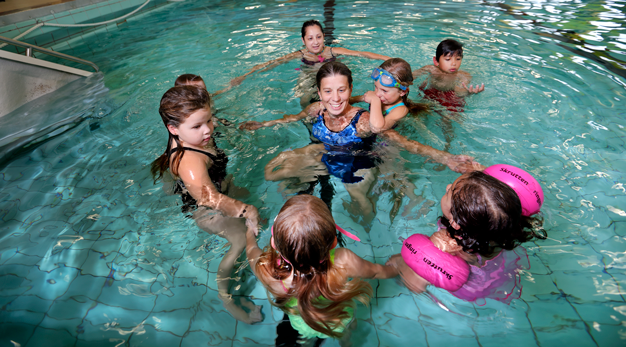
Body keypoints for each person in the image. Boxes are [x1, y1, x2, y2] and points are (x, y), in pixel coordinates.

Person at [240, 61, 482, 222]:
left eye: (341, 91)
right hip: (325, 154)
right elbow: (294, 117)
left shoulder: (364, 121)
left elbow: (402, 140)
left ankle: (367, 229)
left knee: (362, 200)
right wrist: (265, 124)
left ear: (351, 88)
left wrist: (444, 157)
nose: (334, 98)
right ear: (320, 93)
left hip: (358, 163)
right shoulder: (317, 108)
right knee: (272, 173)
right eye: (327, 92)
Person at [150, 85, 262, 324]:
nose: (208, 129)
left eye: (209, 120)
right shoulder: (188, 160)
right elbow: (208, 198)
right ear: (173, 128)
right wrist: (246, 210)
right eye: (198, 126)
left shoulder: (187, 140)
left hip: (219, 188)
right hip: (206, 210)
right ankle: (226, 298)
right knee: (239, 241)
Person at [244, 195, 398, 345]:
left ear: (274, 243)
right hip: (339, 319)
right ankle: (346, 340)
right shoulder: (343, 261)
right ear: (333, 242)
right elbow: (376, 271)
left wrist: (249, 232)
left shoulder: (268, 271)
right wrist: (398, 268)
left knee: (306, 335)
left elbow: (251, 249)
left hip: (303, 323)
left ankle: (307, 340)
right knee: (346, 329)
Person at [387, 170, 546, 304]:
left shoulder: (447, 240)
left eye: (450, 191)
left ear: (456, 223)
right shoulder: (500, 226)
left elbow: (418, 284)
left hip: (465, 285)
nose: (448, 187)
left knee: (402, 263)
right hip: (496, 272)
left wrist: (399, 266)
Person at [228, 20, 390, 107]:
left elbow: (361, 54)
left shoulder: (331, 51)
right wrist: (244, 76)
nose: (315, 42)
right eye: (310, 38)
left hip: (330, 80)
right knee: (304, 100)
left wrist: (385, 58)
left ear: (324, 36)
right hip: (308, 77)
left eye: (318, 37)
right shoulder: (300, 54)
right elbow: (270, 64)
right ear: (303, 40)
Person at [351, 58, 428, 133]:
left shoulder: (400, 110)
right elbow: (351, 100)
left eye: (384, 91)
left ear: (403, 92)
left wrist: (375, 101)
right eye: (376, 87)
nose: (377, 94)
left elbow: (377, 129)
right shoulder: (378, 95)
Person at [412, 39, 484, 113]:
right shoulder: (431, 70)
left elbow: (459, 93)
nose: (454, 63)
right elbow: (410, 77)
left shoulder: (462, 76)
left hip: (451, 99)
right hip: (431, 94)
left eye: (458, 59)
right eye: (448, 59)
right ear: (436, 61)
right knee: (418, 111)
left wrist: (470, 93)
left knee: (449, 119)